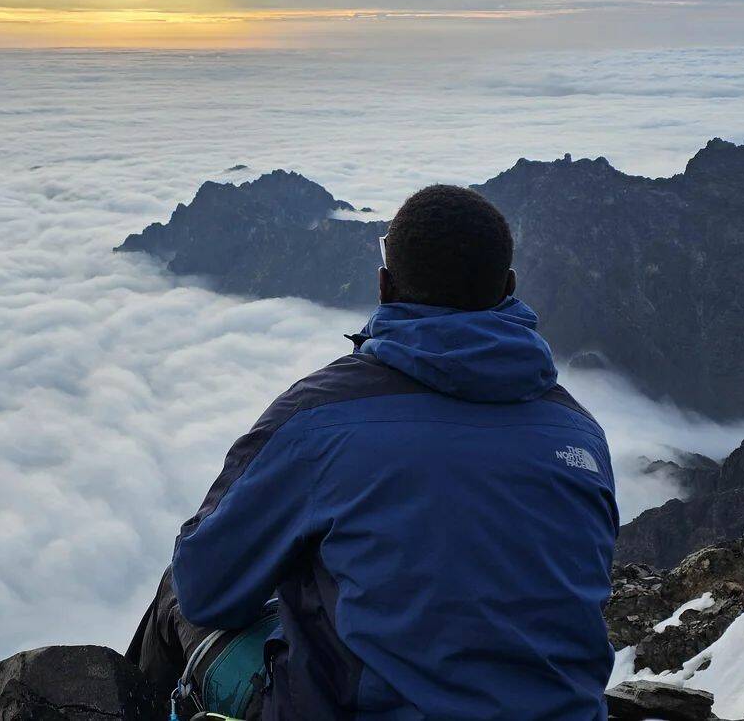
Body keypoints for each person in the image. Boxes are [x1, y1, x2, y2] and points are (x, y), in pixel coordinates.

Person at [128, 184, 619, 720]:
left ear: (384, 286)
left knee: (178, 587)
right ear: (508, 287)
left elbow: (205, 587)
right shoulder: (581, 435)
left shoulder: (319, 417)